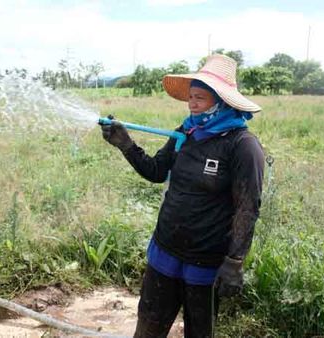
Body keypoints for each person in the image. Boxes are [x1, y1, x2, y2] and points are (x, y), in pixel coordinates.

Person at [101, 54, 264, 338]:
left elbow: (247, 208)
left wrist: (235, 262)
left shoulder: (242, 146)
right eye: (191, 97)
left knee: (199, 332)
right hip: (164, 250)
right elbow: (155, 171)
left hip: (205, 262)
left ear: (223, 101)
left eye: (200, 97)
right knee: (148, 326)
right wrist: (125, 145)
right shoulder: (186, 132)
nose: (192, 103)